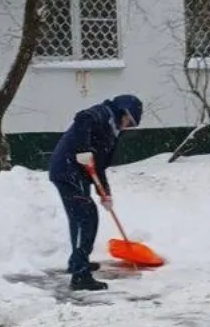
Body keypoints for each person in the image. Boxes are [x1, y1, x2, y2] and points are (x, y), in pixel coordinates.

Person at [47, 94, 144, 291]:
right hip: (68, 170)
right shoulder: (104, 113)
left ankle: (77, 262)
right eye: (128, 120)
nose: (127, 126)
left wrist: (105, 193)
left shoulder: (111, 131)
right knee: (86, 217)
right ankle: (80, 275)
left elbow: (98, 166)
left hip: (71, 171)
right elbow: (83, 118)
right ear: (122, 111)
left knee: (79, 217)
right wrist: (83, 150)